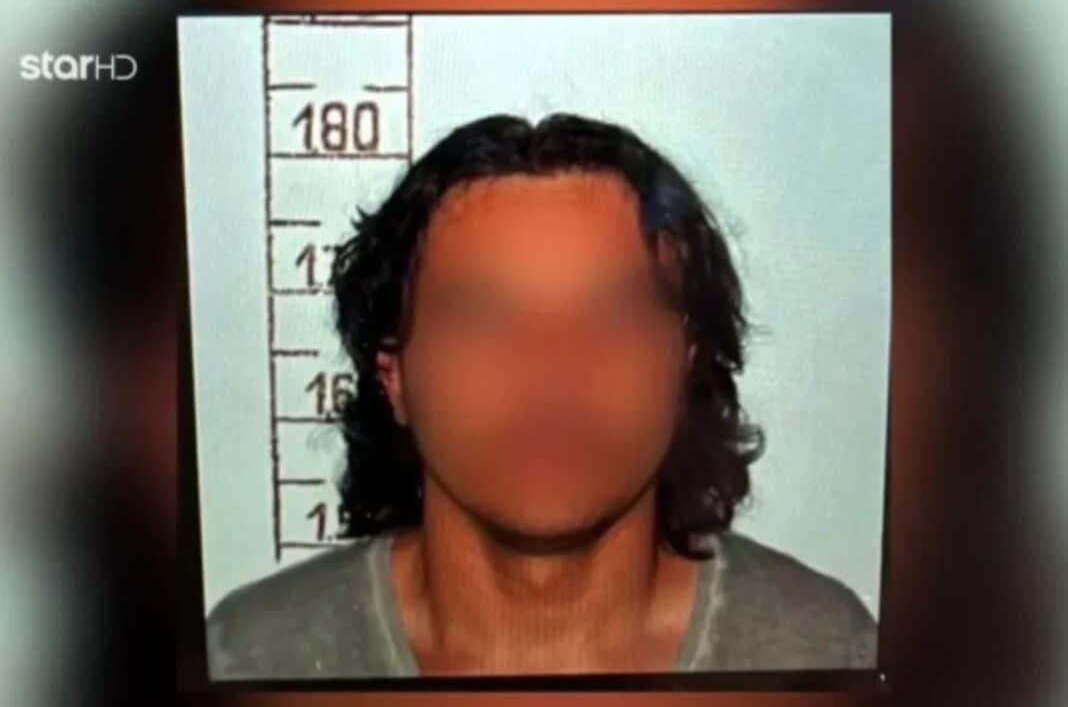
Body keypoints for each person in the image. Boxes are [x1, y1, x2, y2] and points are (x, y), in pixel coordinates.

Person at [206, 113, 878, 679]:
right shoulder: (249, 658)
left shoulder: (822, 653)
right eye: (483, 319)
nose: (552, 372)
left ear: (685, 370)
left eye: (615, 316)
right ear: (395, 378)